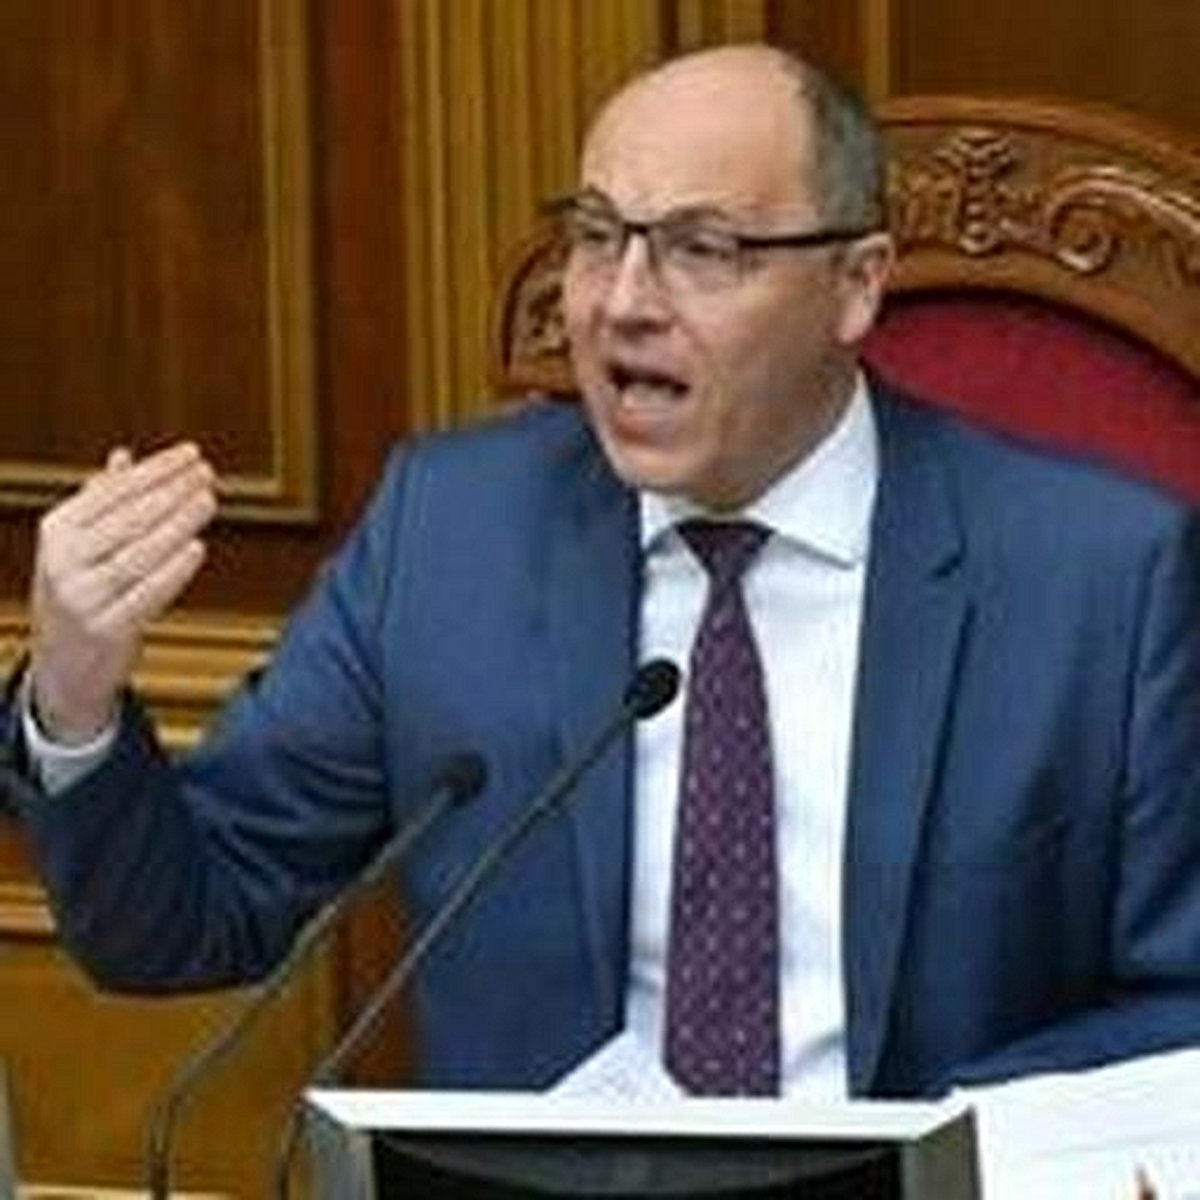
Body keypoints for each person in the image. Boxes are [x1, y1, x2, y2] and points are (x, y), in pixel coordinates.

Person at [7, 43, 1200, 1100]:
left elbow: (1180, 1011)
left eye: (701, 250)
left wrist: (918, 1157)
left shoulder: (1102, 578)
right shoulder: (450, 536)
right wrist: (74, 693)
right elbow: (186, 922)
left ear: (856, 284)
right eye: (593, 237)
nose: (622, 303)